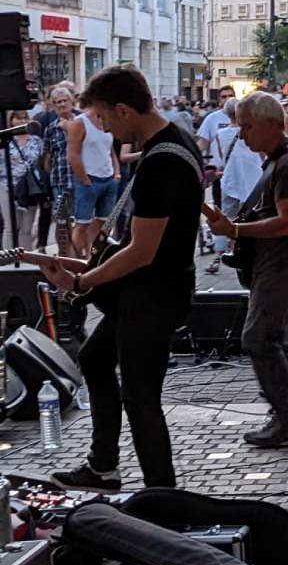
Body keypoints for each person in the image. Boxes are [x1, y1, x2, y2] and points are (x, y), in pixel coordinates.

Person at [43, 64, 203, 492]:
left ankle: (162, 495)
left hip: (154, 295)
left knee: (141, 395)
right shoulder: (170, 144)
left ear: (124, 110)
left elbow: (141, 251)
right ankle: (104, 466)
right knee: (96, 360)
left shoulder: (161, 162)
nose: (107, 129)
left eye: (105, 118)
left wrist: (82, 281)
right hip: (151, 291)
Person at [207, 93, 288, 447]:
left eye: (246, 126)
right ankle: (286, 412)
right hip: (277, 264)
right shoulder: (279, 163)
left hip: (286, 264)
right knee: (270, 337)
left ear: (270, 124)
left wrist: (236, 231)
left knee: (258, 337)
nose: (242, 135)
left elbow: (287, 223)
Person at [208, 98, 263, 275]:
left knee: (227, 216)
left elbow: (219, 159)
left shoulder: (221, 135)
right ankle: (243, 249)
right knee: (250, 216)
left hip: (230, 179)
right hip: (253, 178)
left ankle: (222, 252)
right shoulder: (252, 132)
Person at [64, 106, 121, 254]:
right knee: (81, 225)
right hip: (89, 179)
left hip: (108, 178)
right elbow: (72, 154)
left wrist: (116, 173)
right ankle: (72, 264)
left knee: (103, 222)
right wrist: (84, 178)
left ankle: (93, 258)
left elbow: (111, 150)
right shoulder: (80, 122)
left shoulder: (108, 120)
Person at [1, 110, 43, 249]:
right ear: (11, 121)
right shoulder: (4, 140)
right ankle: (8, 261)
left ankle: (26, 259)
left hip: (29, 188)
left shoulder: (36, 140)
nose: (21, 121)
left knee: (27, 227)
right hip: (8, 186)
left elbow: (42, 162)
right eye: (18, 118)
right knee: (11, 226)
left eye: (24, 118)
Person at [45, 87, 78, 256]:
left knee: (82, 221)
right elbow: (48, 157)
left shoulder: (83, 122)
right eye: (58, 102)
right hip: (61, 181)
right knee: (61, 222)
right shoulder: (50, 129)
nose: (62, 104)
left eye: (65, 100)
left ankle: (82, 255)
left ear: (72, 101)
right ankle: (65, 255)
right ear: (53, 106)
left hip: (82, 180)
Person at [196, 85, 236, 157]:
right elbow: (203, 143)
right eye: (224, 97)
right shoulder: (211, 118)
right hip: (217, 165)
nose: (228, 99)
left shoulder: (245, 117)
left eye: (230, 96)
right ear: (219, 100)